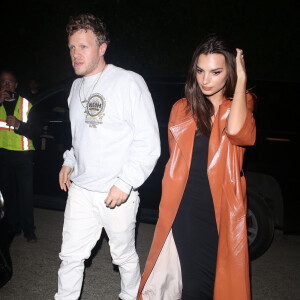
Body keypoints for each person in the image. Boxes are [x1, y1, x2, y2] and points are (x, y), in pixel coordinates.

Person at [137, 34, 256, 300]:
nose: (205, 79)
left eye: (216, 72)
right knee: (193, 287)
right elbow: (175, 160)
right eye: (200, 71)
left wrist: (242, 80)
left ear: (230, 73)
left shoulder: (240, 104)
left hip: (222, 208)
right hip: (185, 207)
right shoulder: (181, 109)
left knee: (219, 283)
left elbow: (238, 131)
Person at [54, 13, 160, 300]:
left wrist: (125, 182)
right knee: (70, 257)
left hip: (117, 193)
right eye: (72, 47)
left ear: (102, 47)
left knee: (123, 257)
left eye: (83, 47)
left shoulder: (128, 82)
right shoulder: (75, 88)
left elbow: (148, 142)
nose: (75, 54)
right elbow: (80, 138)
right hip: (81, 191)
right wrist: (70, 161)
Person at [0, 69, 39, 243]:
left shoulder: (26, 104)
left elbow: (36, 132)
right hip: (3, 156)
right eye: (3, 82)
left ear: (15, 85)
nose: (6, 85)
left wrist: (18, 125)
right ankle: (13, 227)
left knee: (26, 195)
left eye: (10, 82)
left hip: (23, 156)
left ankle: (29, 230)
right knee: (8, 195)